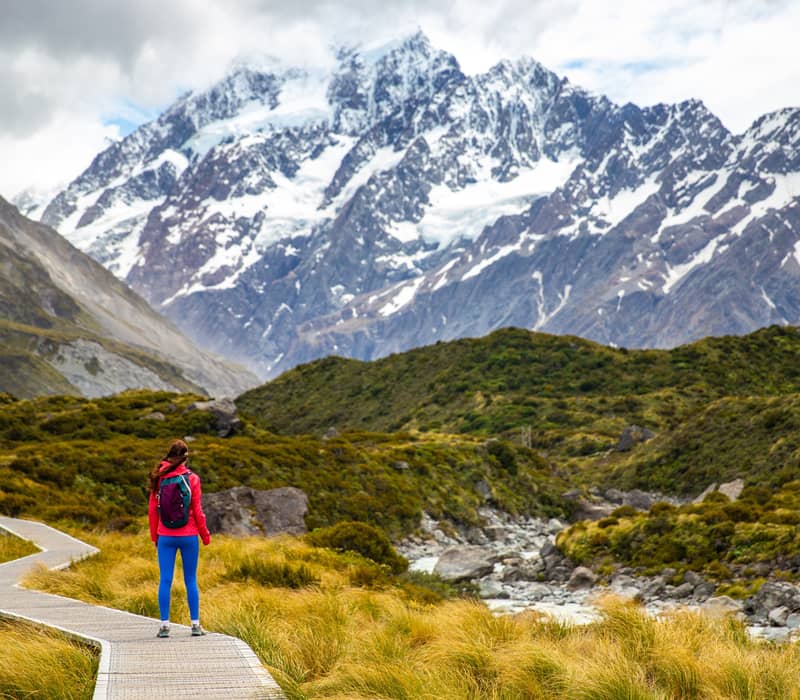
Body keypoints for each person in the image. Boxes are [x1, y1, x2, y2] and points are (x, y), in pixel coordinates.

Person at [148, 438, 211, 638]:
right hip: (189, 535)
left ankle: (165, 626)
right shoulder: (193, 479)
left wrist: (155, 536)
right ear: (185, 457)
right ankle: (195, 625)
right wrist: (205, 534)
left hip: (165, 536)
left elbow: (152, 511)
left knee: (165, 580)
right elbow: (198, 511)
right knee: (190, 579)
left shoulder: (159, 476)